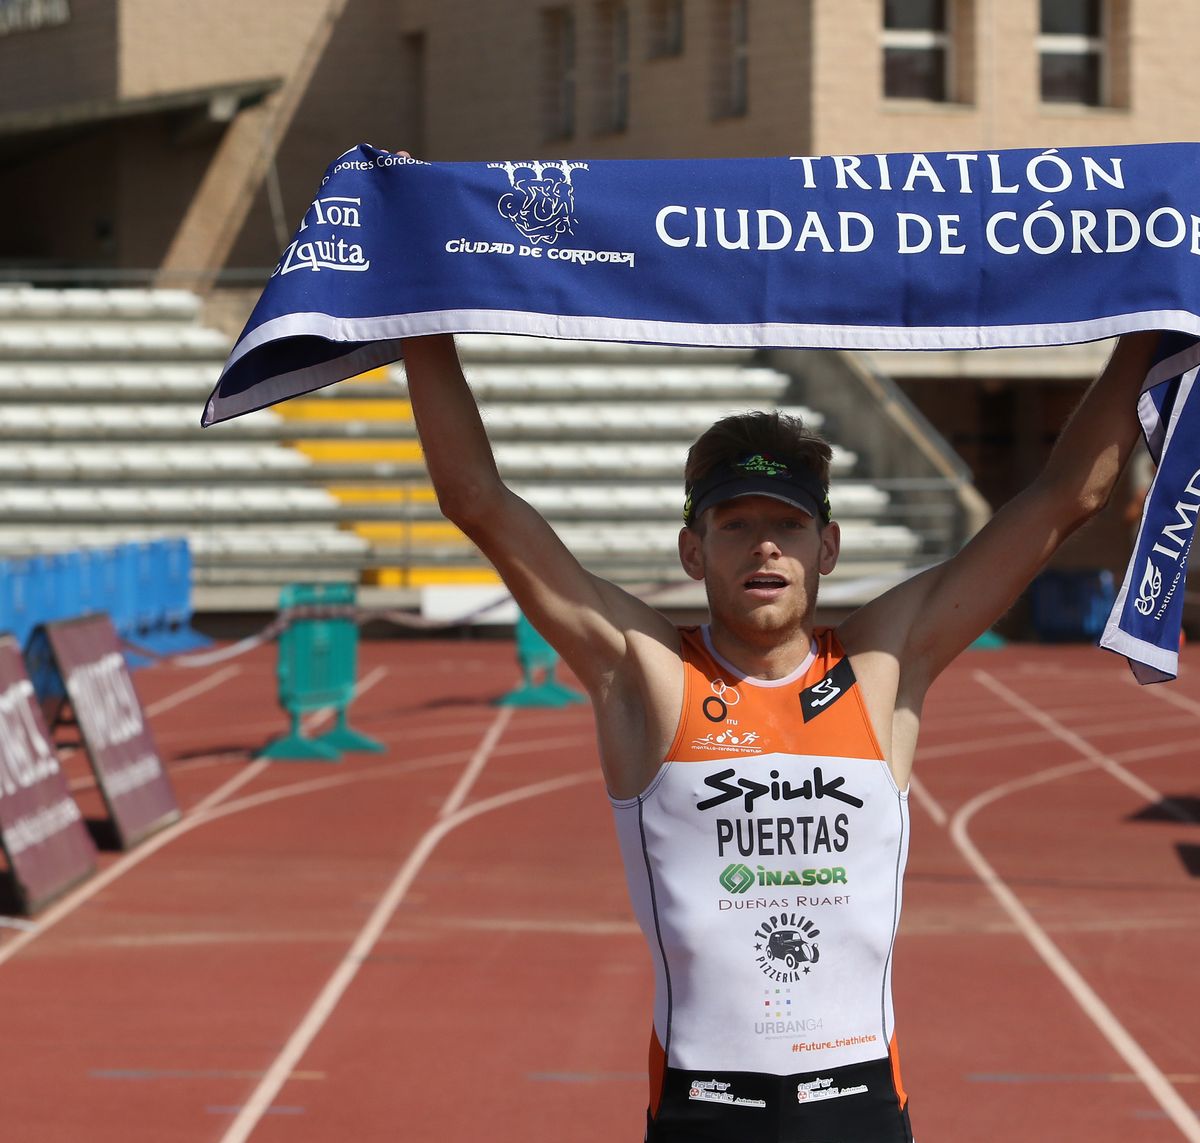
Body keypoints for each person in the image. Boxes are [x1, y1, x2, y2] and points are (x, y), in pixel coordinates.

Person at [402, 324, 1158, 1142]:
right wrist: (415, 323)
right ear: (693, 550)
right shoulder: (647, 674)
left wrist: (1148, 328)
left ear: (825, 546)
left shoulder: (882, 665)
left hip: (860, 1108)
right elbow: (476, 498)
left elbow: (1066, 498)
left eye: (789, 526)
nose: (764, 544)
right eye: (734, 525)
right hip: (706, 1109)